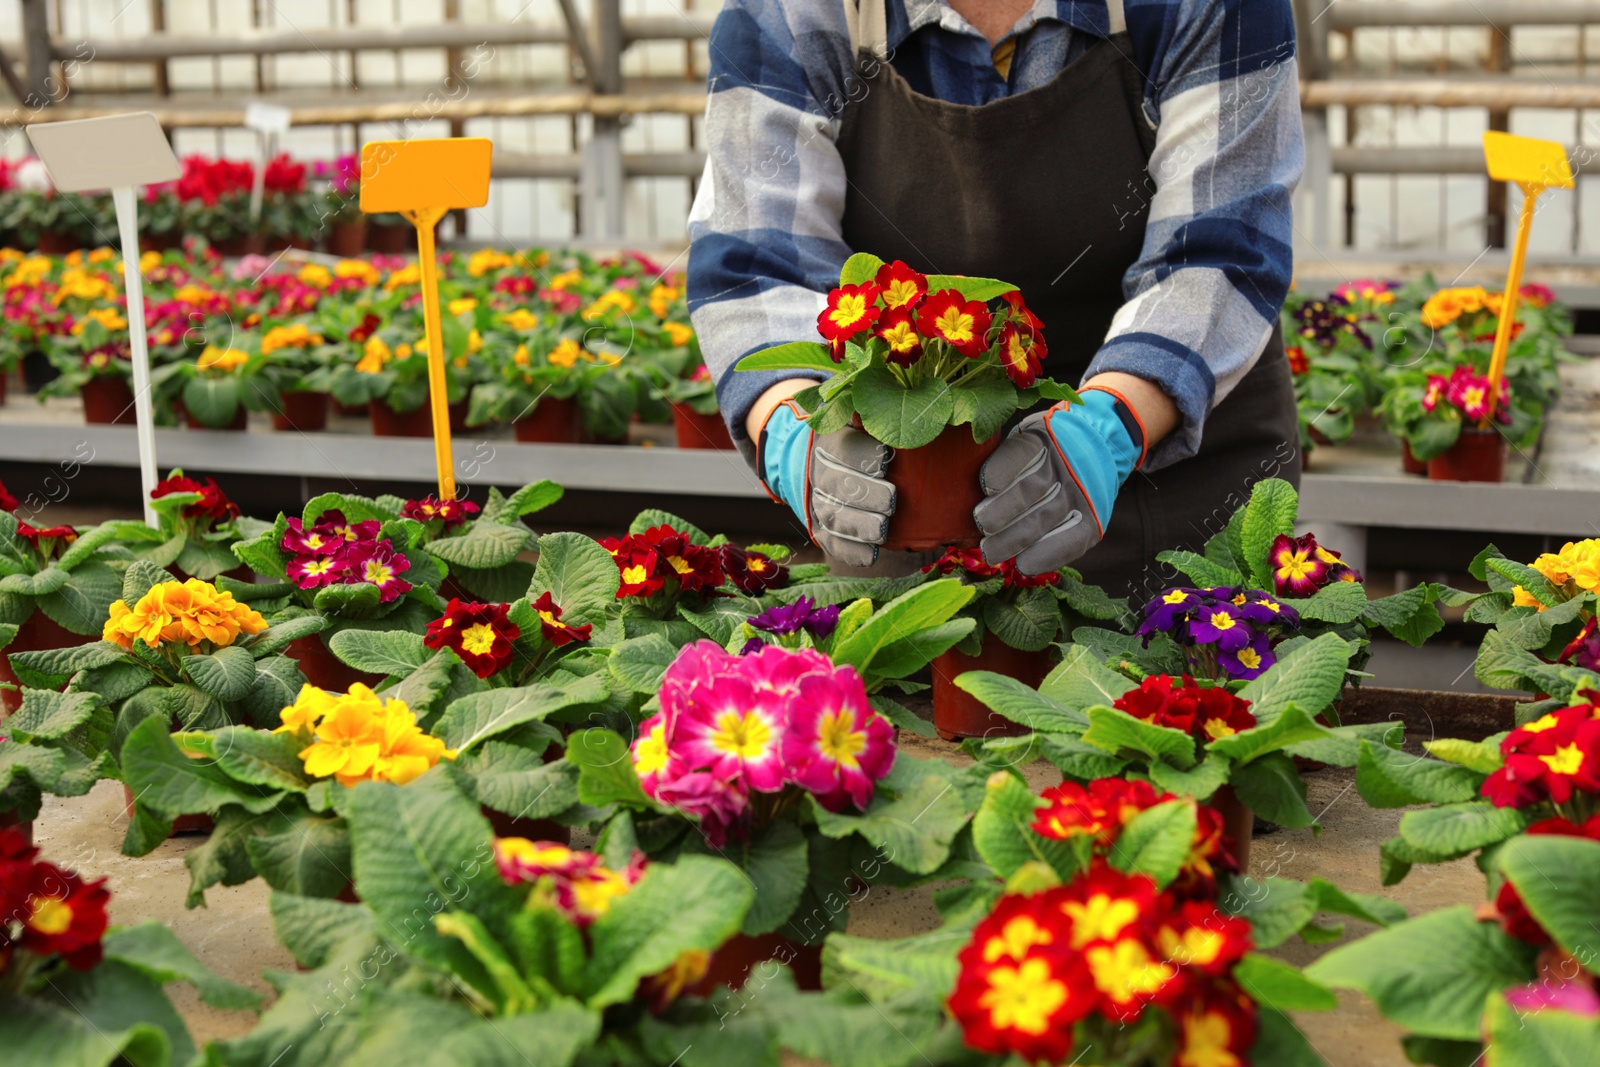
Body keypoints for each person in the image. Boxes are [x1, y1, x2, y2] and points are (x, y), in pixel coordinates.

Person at [686, 0, 1303, 599]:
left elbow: (1219, 245)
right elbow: (756, 263)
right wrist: (799, 433)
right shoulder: (792, 10)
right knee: (921, 698)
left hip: (1172, 496)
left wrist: (1106, 430)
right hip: (901, 506)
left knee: (1182, 687)